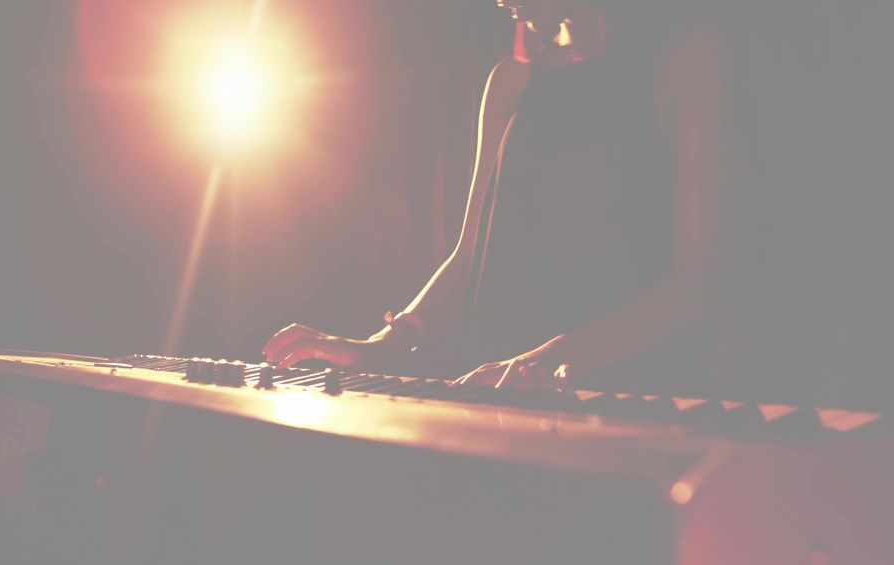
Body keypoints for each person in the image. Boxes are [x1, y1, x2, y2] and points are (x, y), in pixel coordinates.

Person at [264, 0, 724, 392]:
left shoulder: (685, 60)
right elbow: (469, 260)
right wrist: (382, 344)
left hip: (630, 404)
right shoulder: (510, 82)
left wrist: (546, 363)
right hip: (500, 396)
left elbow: (699, 283)